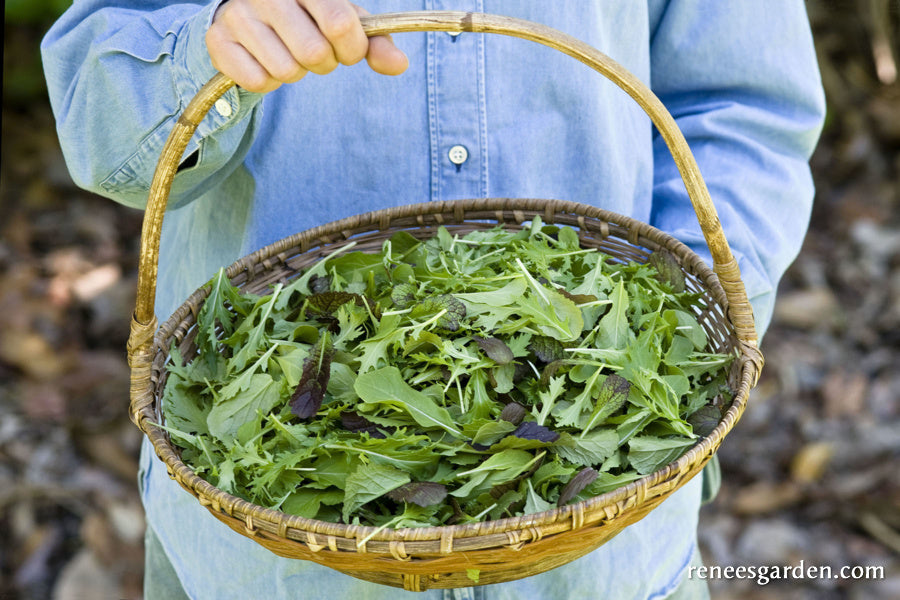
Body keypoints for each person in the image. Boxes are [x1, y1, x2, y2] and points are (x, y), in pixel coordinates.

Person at [42, 1, 825, 598]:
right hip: (264, 553)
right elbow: (95, 108)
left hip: (602, 552)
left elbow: (744, 108)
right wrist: (204, 51)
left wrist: (677, 340)